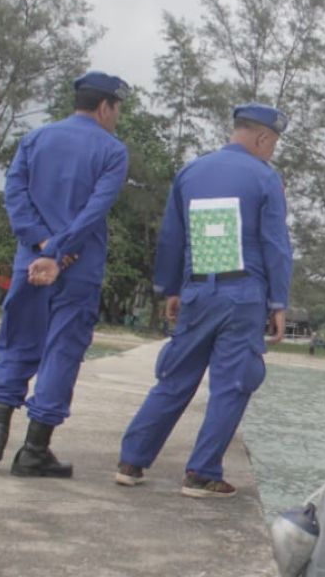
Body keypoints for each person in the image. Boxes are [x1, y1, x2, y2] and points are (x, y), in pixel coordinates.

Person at [115, 103, 293, 499]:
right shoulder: (265, 178)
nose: (273, 151)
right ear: (263, 137)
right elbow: (275, 244)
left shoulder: (191, 172)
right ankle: (201, 473)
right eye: (274, 143)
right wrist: (279, 301)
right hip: (244, 293)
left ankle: (132, 461)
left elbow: (171, 238)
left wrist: (171, 288)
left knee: (175, 377)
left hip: (197, 290)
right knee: (232, 383)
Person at [0, 71, 130, 477]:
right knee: (63, 350)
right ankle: (34, 449)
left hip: (31, 261)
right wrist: (61, 251)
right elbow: (96, 209)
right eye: (117, 110)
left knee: (17, 340)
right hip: (76, 269)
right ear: (104, 107)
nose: (116, 118)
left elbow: (15, 194)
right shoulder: (112, 151)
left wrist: (41, 244)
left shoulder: (35, 139)